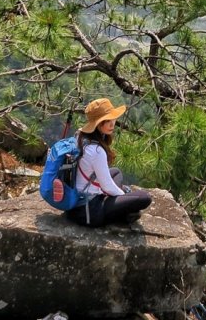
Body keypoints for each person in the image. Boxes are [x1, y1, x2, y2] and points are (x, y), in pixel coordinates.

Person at [65, 97, 152, 227]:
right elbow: (106, 186)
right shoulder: (97, 151)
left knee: (116, 172)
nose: (112, 123)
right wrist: (124, 198)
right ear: (98, 124)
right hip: (89, 211)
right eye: (107, 121)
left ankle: (119, 207)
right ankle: (122, 212)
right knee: (144, 198)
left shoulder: (80, 136)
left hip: (76, 201)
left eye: (113, 119)